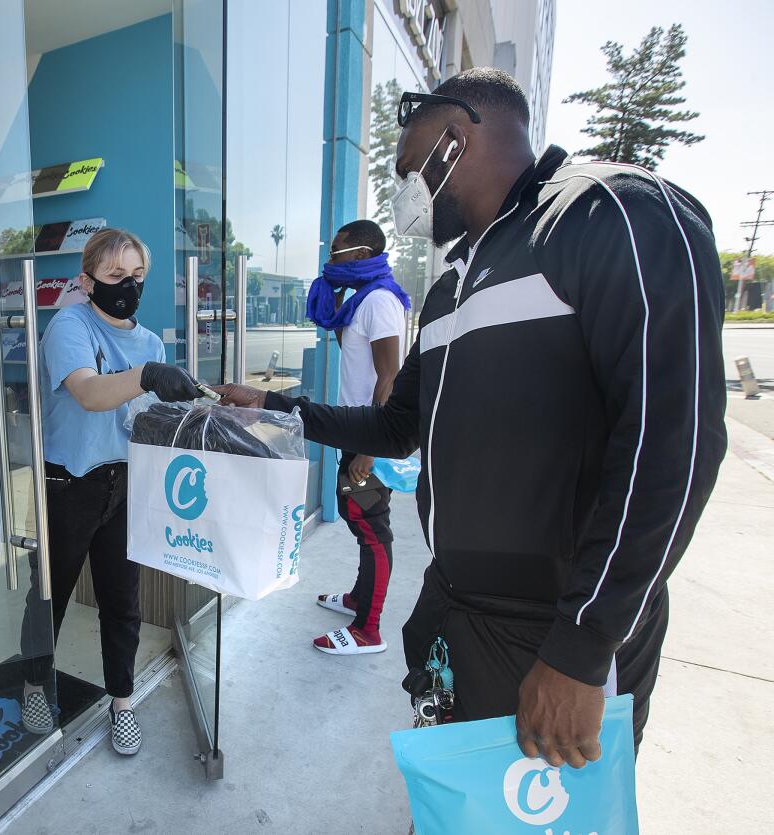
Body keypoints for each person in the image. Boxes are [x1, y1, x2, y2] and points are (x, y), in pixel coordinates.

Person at [215, 68, 726, 769]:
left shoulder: (611, 213)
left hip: (554, 639)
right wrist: (276, 405)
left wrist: (581, 649)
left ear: (455, 139)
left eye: (406, 168)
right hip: (460, 616)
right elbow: (398, 426)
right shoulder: (453, 287)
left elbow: (675, 445)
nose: (403, 192)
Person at [19, 228, 201, 755]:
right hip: (70, 482)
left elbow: (145, 418)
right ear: (87, 279)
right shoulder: (70, 326)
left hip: (126, 483)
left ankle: (122, 700)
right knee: (49, 594)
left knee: (123, 601)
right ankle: (34, 682)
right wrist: (146, 376)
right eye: (116, 276)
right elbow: (90, 392)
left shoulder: (148, 342)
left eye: (137, 277)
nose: (128, 286)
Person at [305, 219, 408, 656]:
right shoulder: (360, 302)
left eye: (337, 252)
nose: (330, 260)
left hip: (371, 436)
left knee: (372, 529)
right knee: (357, 518)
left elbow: (391, 376)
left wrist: (369, 447)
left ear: (361, 256)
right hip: (355, 429)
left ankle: (369, 629)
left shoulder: (380, 301)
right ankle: (357, 600)